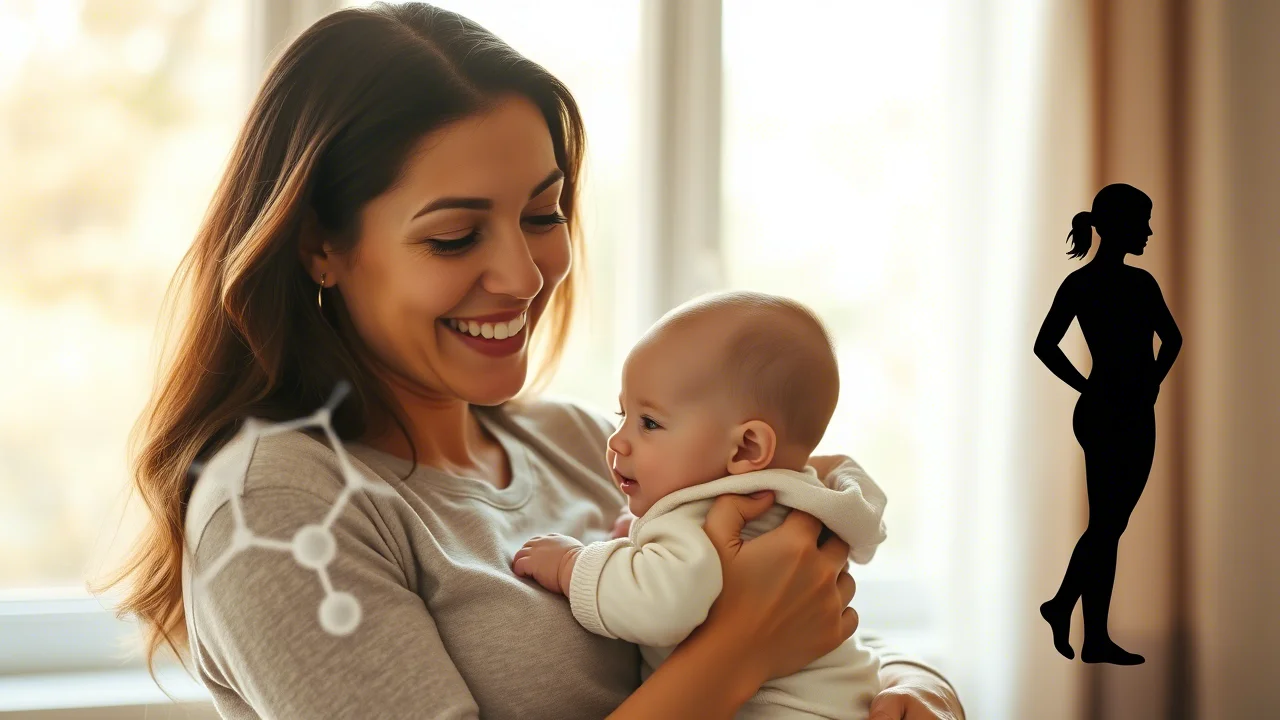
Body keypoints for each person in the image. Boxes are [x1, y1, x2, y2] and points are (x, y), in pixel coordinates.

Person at [95, 3, 966, 718]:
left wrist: (916, 689)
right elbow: (762, 632)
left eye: (543, 216)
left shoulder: (593, 444)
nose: (522, 274)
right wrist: (738, 648)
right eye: (454, 236)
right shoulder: (282, 506)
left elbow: (818, 632)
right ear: (322, 244)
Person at [513, 290, 893, 719]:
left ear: (747, 447)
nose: (617, 440)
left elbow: (661, 605)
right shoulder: (812, 497)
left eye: (649, 423)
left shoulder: (695, 512)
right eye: (622, 415)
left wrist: (571, 566)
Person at [1034, 183, 1182, 665]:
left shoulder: (1092, 284)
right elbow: (1172, 341)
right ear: (1118, 226)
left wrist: (1093, 387)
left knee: (1108, 526)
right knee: (1107, 525)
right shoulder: (1128, 284)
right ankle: (1066, 611)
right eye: (1142, 223)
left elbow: (1172, 340)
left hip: (1116, 409)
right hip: (1117, 413)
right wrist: (1148, 382)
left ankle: (1087, 628)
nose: (1149, 232)